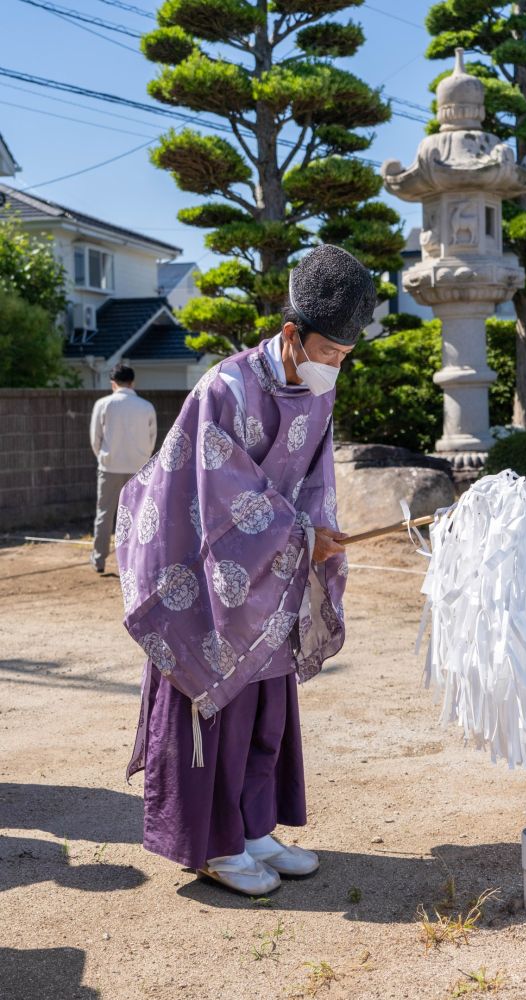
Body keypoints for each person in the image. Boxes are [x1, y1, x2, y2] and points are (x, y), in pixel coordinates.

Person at [116, 245, 376, 896]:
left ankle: (254, 827)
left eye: (344, 358)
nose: (333, 369)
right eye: (327, 354)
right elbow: (216, 491)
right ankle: (210, 844)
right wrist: (297, 534)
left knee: (265, 706)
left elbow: (316, 474)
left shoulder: (318, 390)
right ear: (291, 334)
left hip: (271, 570)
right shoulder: (223, 388)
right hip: (197, 571)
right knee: (215, 704)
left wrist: (316, 530)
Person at [89, 363, 157, 574]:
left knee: (105, 514)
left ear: (113, 383)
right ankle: (135, 563)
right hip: (139, 468)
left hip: (110, 466)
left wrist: (104, 458)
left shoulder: (103, 404)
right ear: (132, 382)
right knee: (136, 516)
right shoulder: (146, 406)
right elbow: (151, 439)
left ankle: (99, 559)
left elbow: (95, 439)